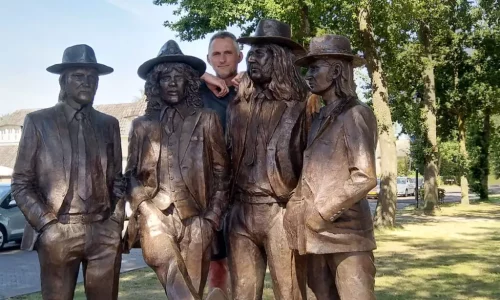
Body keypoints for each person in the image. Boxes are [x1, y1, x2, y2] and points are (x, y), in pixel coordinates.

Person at [11, 44, 125, 300]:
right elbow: (21, 182)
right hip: (59, 229)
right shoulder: (39, 122)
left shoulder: (109, 124)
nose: (87, 83)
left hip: (103, 230)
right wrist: (47, 225)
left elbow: (118, 181)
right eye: (78, 76)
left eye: (92, 78)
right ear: (63, 81)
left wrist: (115, 221)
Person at [123, 40, 230, 300]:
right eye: (165, 78)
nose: (172, 83)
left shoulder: (207, 119)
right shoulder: (142, 126)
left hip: (197, 218)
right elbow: (130, 175)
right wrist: (145, 209)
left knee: (188, 289)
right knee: (166, 262)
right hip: (155, 214)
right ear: (155, 84)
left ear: (189, 83)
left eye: (179, 77)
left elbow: (222, 173)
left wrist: (212, 218)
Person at [285, 34, 378, 300]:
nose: (309, 75)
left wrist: (321, 213)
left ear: (337, 70)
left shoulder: (356, 113)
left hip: (347, 233)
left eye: (315, 68)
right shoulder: (320, 116)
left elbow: (364, 176)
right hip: (315, 235)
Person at [225, 19, 309, 300]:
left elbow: (313, 164)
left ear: (281, 59)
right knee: (243, 293)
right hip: (240, 214)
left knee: (289, 292)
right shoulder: (236, 108)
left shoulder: (302, 106)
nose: (251, 58)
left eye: (262, 53)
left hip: (280, 212)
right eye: (251, 53)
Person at [199, 31, 243, 294]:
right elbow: (162, 69)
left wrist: (250, 80)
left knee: (246, 263)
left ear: (240, 56)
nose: (223, 59)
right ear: (208, 58)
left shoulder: (255, 86)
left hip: (247, 188)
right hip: (212, 190)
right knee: (217, 265)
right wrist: (202, 75)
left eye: (228, 52)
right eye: (216, 53)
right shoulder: (196, 90)